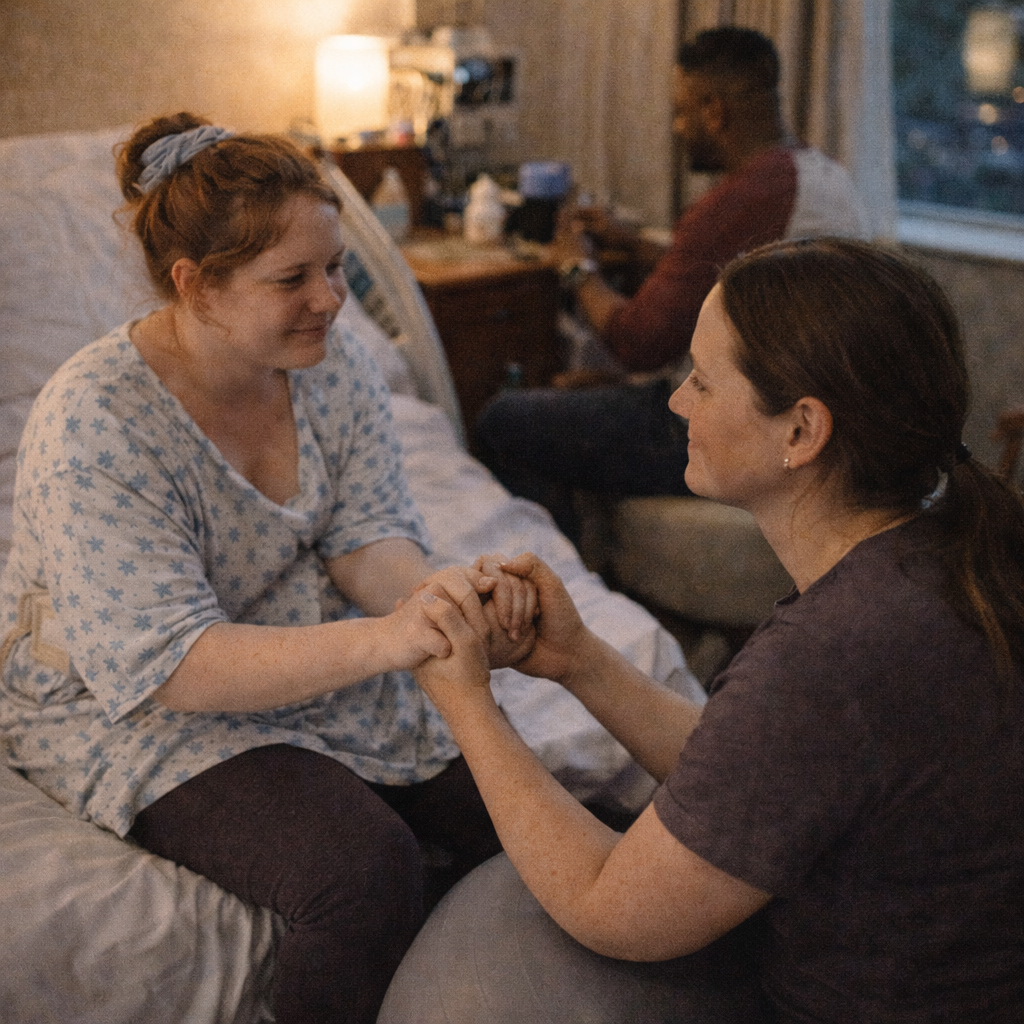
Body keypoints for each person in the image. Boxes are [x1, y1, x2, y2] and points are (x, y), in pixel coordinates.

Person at [0, 113, 538, 1024]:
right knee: (361, 868)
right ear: (195, 287)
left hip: (302, 637)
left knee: (518, 810)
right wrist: (384, 642)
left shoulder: (328, 364)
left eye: (333, 268)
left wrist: (445, 601)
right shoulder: (97, 425)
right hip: (134, 697)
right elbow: (170, 663)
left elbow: (366, 534)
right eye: (292, 279)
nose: (330, 299)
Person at [407, 238, 1024, 1022]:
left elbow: (612, 909)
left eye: (701, 379)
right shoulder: (942, 552)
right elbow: (761, 780)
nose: (676, 402)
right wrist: (580, 663)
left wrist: (466, 703)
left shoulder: (833, 654)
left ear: (801, 431)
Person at [475, 27, 870, 546]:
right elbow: (732, 271)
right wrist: (634, 243)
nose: (678, 128)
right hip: (811, 420)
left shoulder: (739, 198)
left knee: (503, 421)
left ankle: (564, 583)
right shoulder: (822, 177)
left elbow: (637, 344)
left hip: (738, 432)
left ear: (715, 112)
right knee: (571, 397)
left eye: (682, 112)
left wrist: (576, 267)